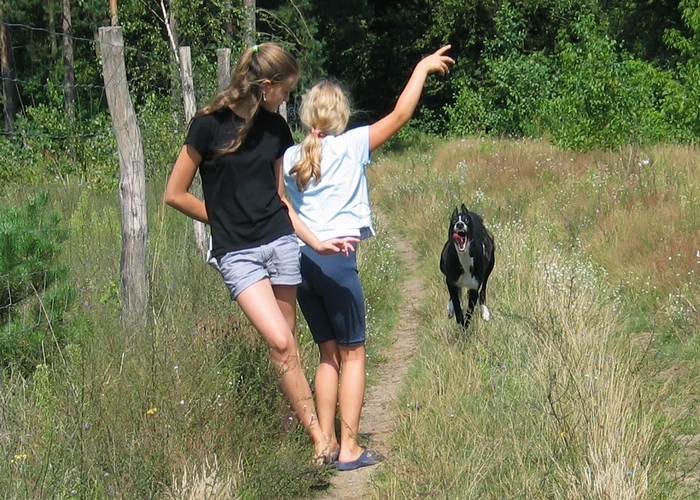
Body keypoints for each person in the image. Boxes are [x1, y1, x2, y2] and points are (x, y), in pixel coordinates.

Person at [164, 42, 356, 465]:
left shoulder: (276, 128)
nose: (287, 99)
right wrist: (222, 219)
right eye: (285, 90)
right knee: (280, 341)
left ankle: (295, 427)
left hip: (280, 243)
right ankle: (319, 438)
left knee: (287, 345)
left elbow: (280, 198)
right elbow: (174, 193)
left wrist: (314, 241)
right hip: (237, 254)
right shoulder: (207, 125)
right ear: (265, 85)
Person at [283, 45, 455, 470]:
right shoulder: (352, 145)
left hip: (302, 263)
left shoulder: (289, 157)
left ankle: (323, 444)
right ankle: (349, 448)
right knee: (353, 354)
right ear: (341, 116)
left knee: (327, 354)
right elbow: (400, 115)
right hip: (339, 261)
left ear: (306, 116)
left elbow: (281, 206)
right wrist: (421, 68)